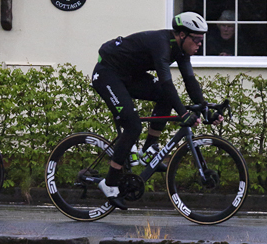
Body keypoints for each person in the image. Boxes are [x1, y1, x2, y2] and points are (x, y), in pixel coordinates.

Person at [91, 12, 220, 210]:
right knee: (133, 126)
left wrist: (205, 108)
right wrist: (184, 114)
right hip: (108, 74)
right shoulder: (161, 44)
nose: (199, 44)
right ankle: (109, 183)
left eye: (201, 40)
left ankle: (149, 149)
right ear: (182, 35)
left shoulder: (182, 52)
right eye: (196, 39)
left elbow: (190, 81)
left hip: (130, 75)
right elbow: (167, 82)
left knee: (163, 96)